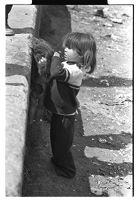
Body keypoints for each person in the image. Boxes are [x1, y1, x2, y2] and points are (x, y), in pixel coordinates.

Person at [44, 32, 97, 178]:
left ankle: (68, 170)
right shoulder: (68, 65)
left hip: (65, 116)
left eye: (69, 47)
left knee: (62, 145)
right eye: (65, 46)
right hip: (59, 112)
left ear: (81, 54)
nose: (64, 49)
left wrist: (55, 56)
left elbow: (55, 72)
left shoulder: (75, 71)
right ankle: (57, 161)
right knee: (55, 139)